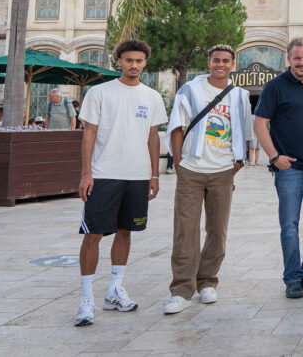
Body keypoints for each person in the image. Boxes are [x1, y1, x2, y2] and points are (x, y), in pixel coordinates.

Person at [75, 39, 168, 327]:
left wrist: (154, 174)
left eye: (139, 61)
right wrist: (86, 173)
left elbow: (152, 137)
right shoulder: (99, 92)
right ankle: (86, 299)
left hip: (137, 176)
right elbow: (89, 134)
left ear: (145, 63)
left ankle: (114, 291)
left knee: (126, 231)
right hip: (104, 174)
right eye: (129, 60)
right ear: (119, 62)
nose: (134, 65)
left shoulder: (152, 96)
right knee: (93, 235)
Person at [163, 44, 252, 315]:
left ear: (233, 64)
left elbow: (245, 130)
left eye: (225, 61)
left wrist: (237, 162)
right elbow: (177, 126)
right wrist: (179, 163)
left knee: (217, 230)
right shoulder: (191, 89)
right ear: (209, 62)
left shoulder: (240, 95)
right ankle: (181, 290)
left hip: (223, 171)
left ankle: (207, 282)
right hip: (191, 169)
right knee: (185, 230)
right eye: (216, 60)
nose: (220, 65)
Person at [253, 37, 303, 299]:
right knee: (289, 225)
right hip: (289, 170)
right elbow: (260, 124)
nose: (302, 62)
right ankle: (293, 278)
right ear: (289, 59)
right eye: (297, 58)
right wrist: (275, 157)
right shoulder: (275, 86)